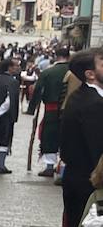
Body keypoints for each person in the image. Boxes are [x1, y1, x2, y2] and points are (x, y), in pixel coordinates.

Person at [52, 49, 103, 227]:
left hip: (76, 176)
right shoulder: (93, 104)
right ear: (90, 74)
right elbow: (98, 149)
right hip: (88, 180)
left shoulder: (82, 96)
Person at [29, 44, 71, 177]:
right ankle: (64, 168)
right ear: (68, 57)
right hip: (71, 110)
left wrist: (31, 108)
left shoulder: (47, 72)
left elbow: (38, 90)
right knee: (68, 136)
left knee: (50, 136)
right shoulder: (75, 72)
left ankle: (49, 167)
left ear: (56, 56)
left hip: (51, 110)